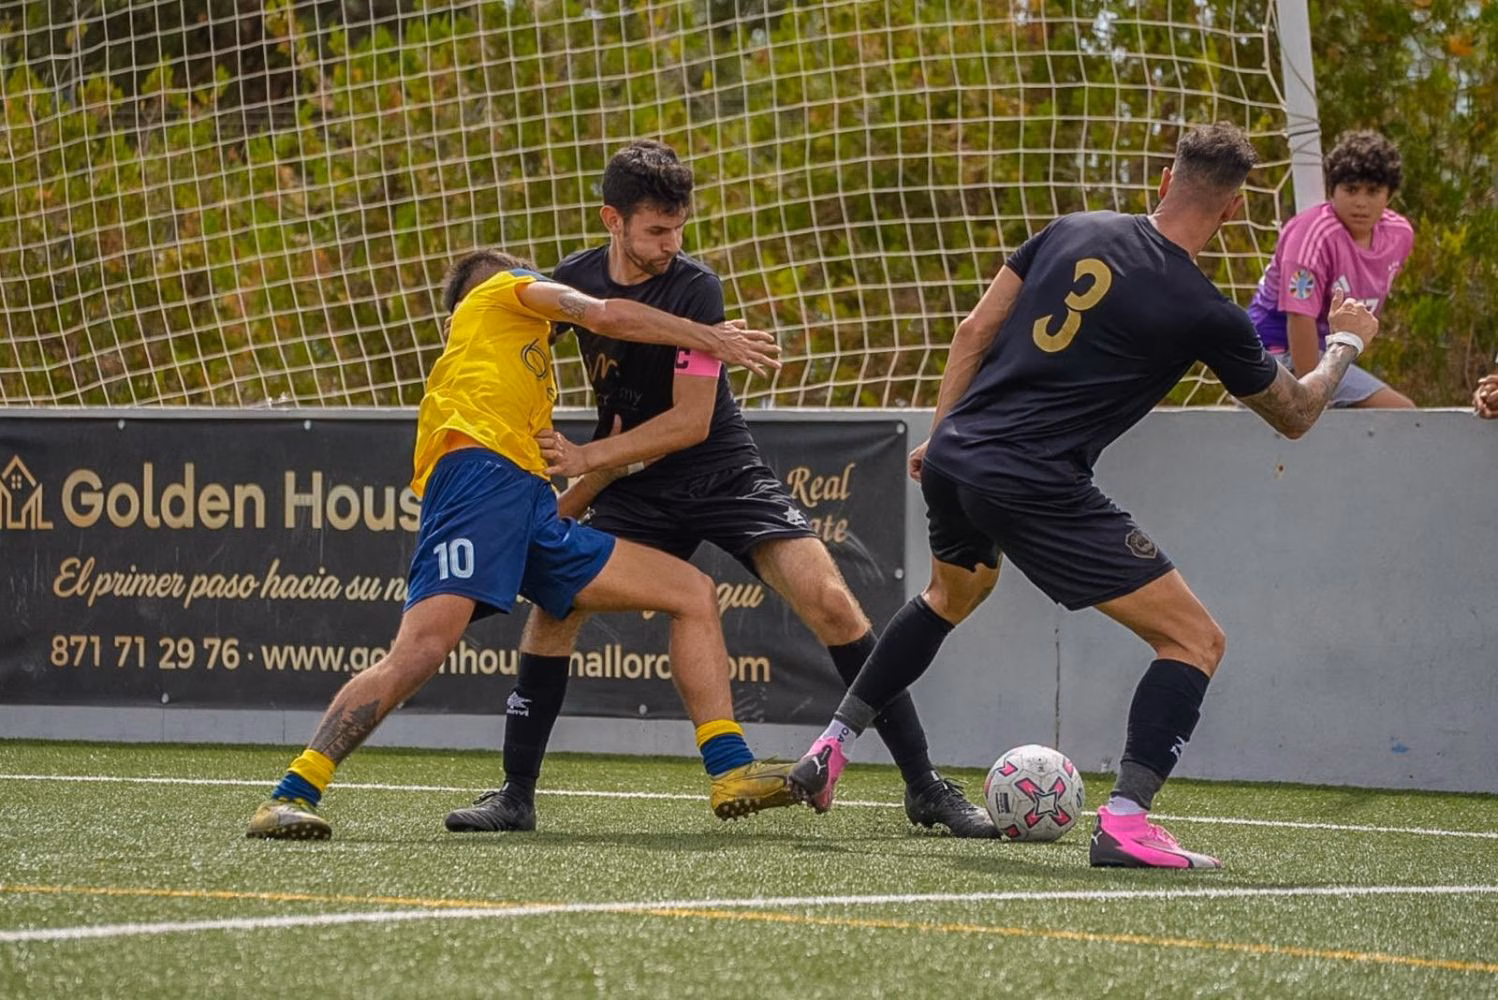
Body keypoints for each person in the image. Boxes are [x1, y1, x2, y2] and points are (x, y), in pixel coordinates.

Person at [783, 123, 1381, 869]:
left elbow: (973, 331)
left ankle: (831, 747)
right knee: (1195, 640)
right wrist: (1345, 343)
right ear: (1232, 212)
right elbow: (1294, 413)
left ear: (1166, 179)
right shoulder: (1206, 311)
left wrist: (944, 436)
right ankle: (1126, 820)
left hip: (957, 455)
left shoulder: (1071, 228)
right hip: (1034, 481)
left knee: (950, 596)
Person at [443, 139, 995, 838]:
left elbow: (689, 421)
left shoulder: (697, 288)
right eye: (655, 231)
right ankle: (515, 793)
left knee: (831, 601)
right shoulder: (574, 281)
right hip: (634, 486)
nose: (671, 244)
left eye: (678, 229)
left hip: (721, 470)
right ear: (611, 219)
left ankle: (923, 786)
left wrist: (590, 456)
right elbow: (523, 359)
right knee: (557, 609)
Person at [246, 249, 795, 840]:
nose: (539, 286)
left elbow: (540, 483)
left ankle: (729, 769)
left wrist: (603, 467)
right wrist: (706, 335)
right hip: (474, 479)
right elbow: (605, 315)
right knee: (423, 650)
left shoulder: (524, 366)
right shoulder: (497, 292)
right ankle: (290, 793)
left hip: (526, 501)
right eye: (530, 279)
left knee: (692, 592)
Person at [1247, 129, 1414, 408]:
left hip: (1329, 354)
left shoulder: (1400, 234)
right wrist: (1311, 400)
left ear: (1390, 196)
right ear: (1332, 190)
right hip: (1273, 352)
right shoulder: (1312, 235)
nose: (1361, 202)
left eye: (1373, 192)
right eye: (1350, 190)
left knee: (1398, 415)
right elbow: (1299, 319)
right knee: (1399, 412)